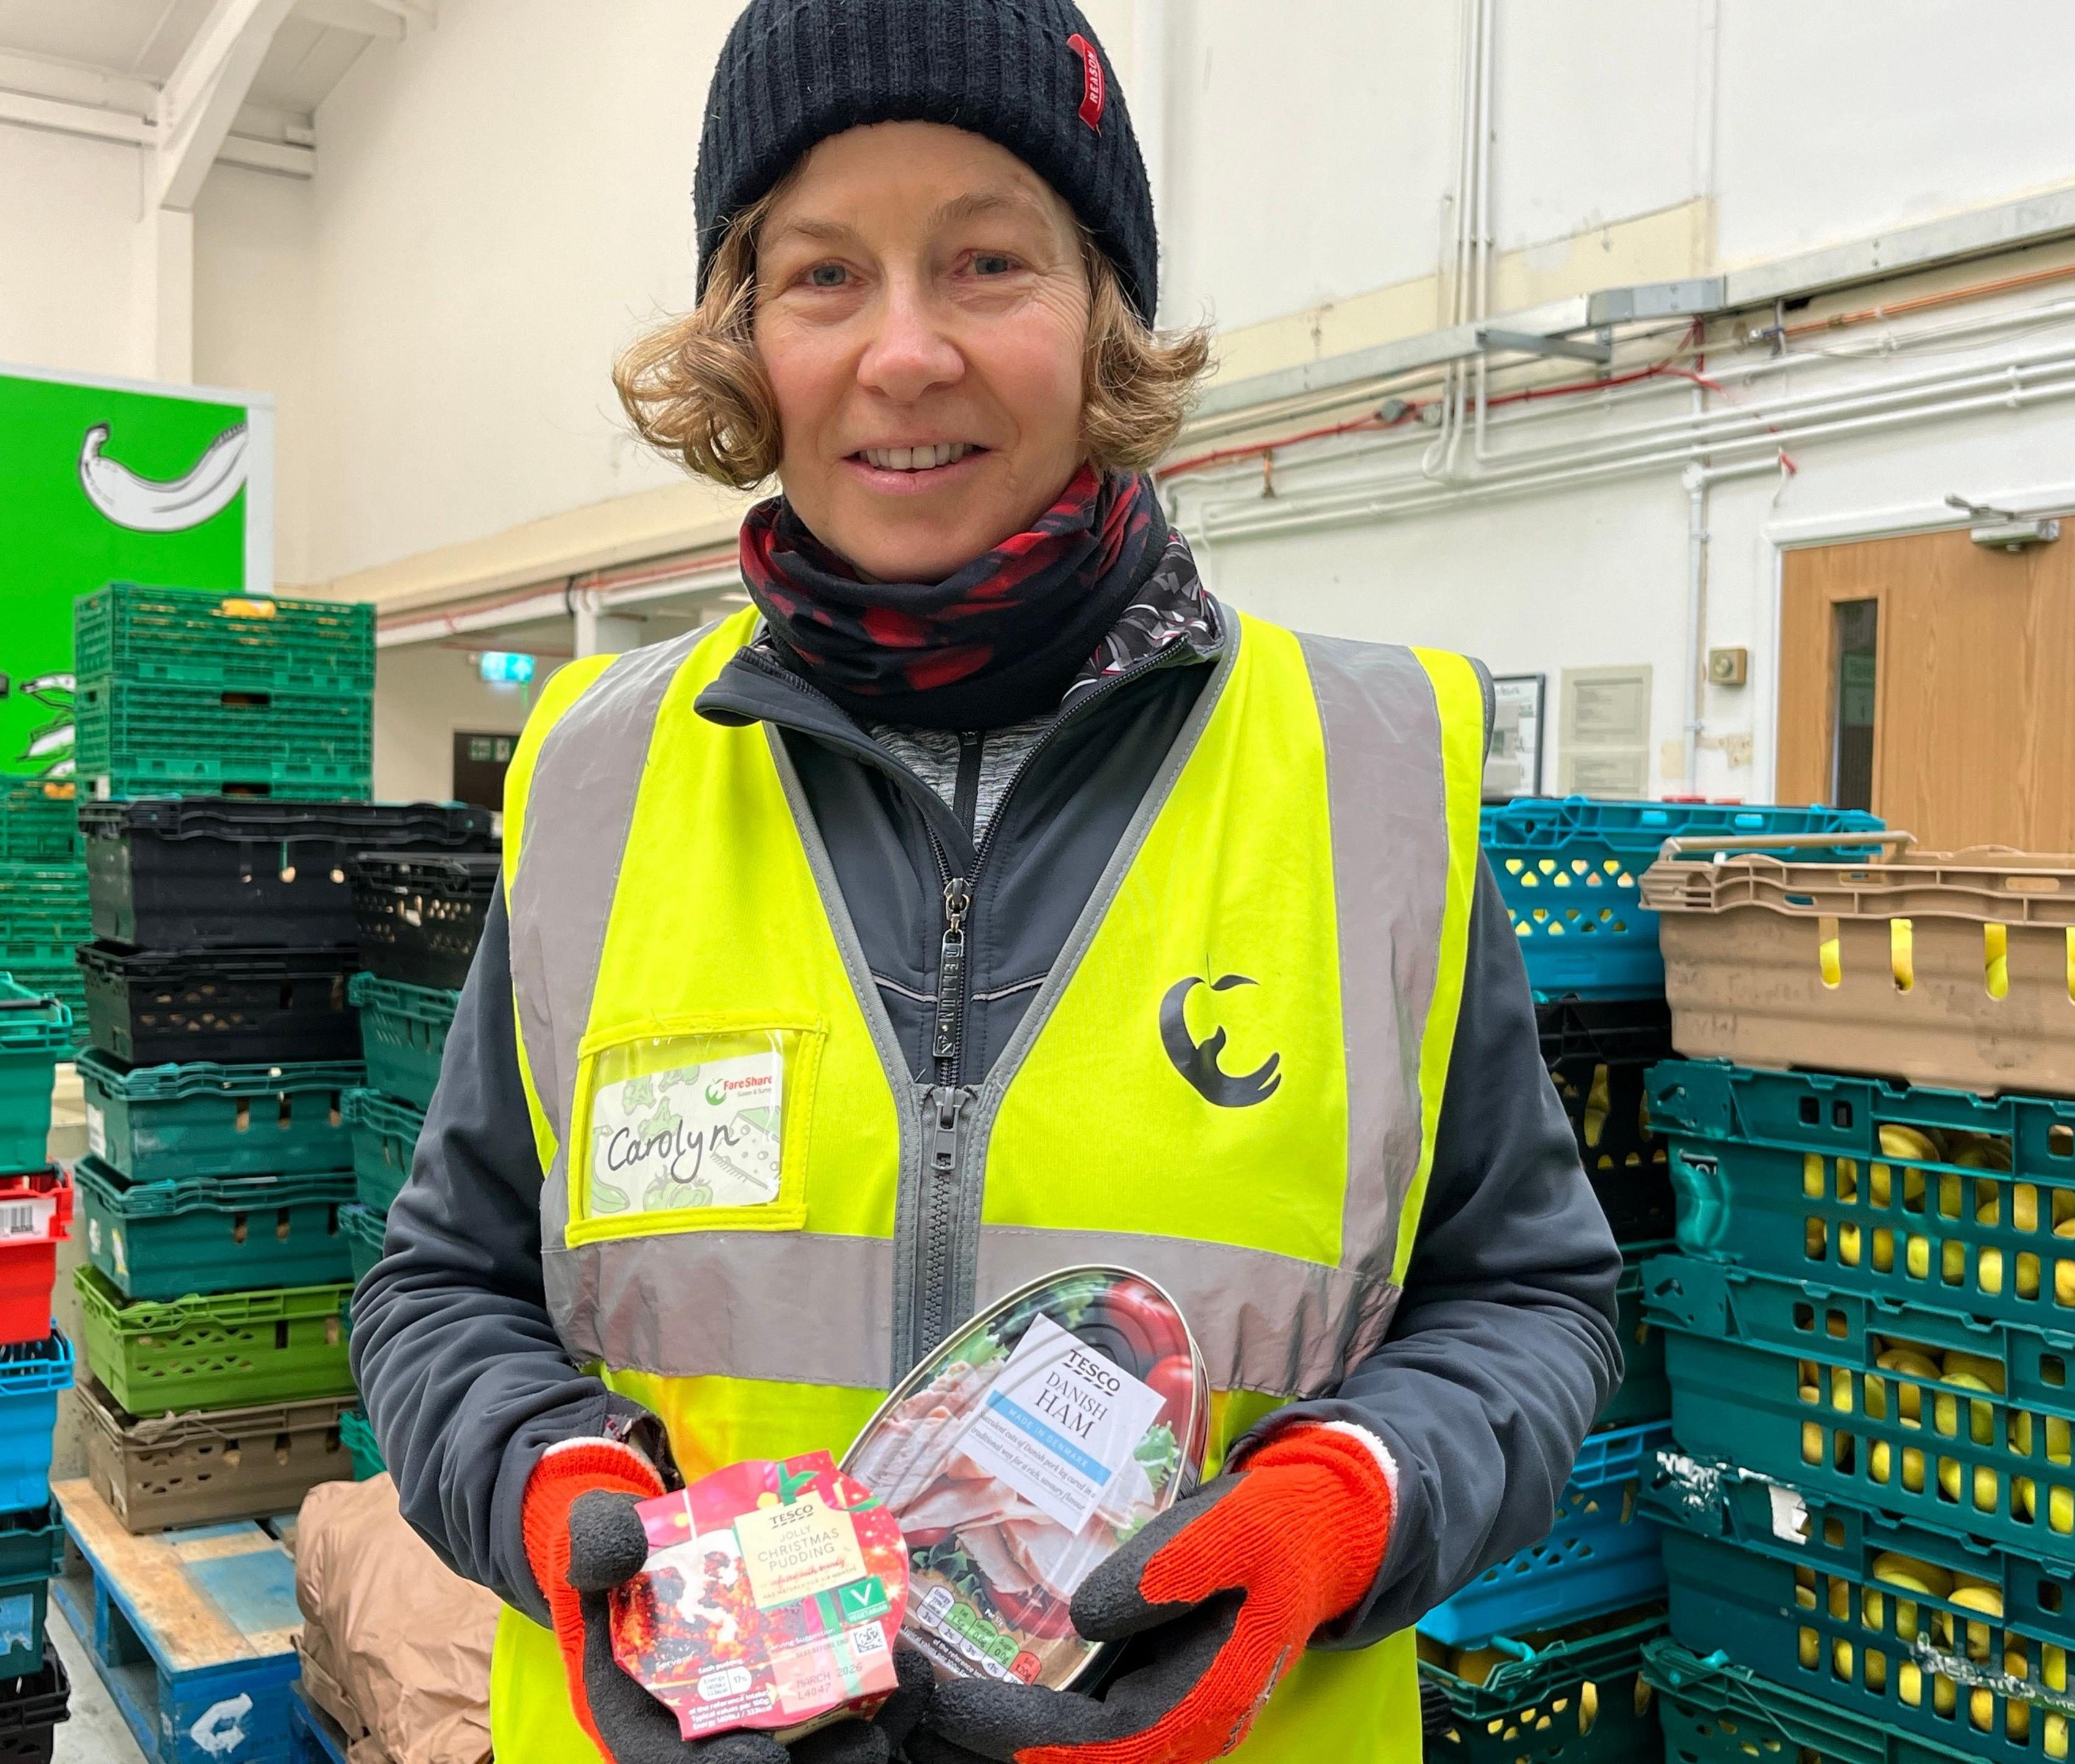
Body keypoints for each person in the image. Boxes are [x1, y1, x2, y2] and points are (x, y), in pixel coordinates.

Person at [350, 4, 1623, 1762]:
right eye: (820, 276)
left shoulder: (1370, 770)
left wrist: (1354, 1493)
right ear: (743, 341)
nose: (905, 351)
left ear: (1101, 320)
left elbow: (1529, 1294)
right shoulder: (596, 775)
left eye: (988, 262)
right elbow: (441, 1290)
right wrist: (551, 1494)